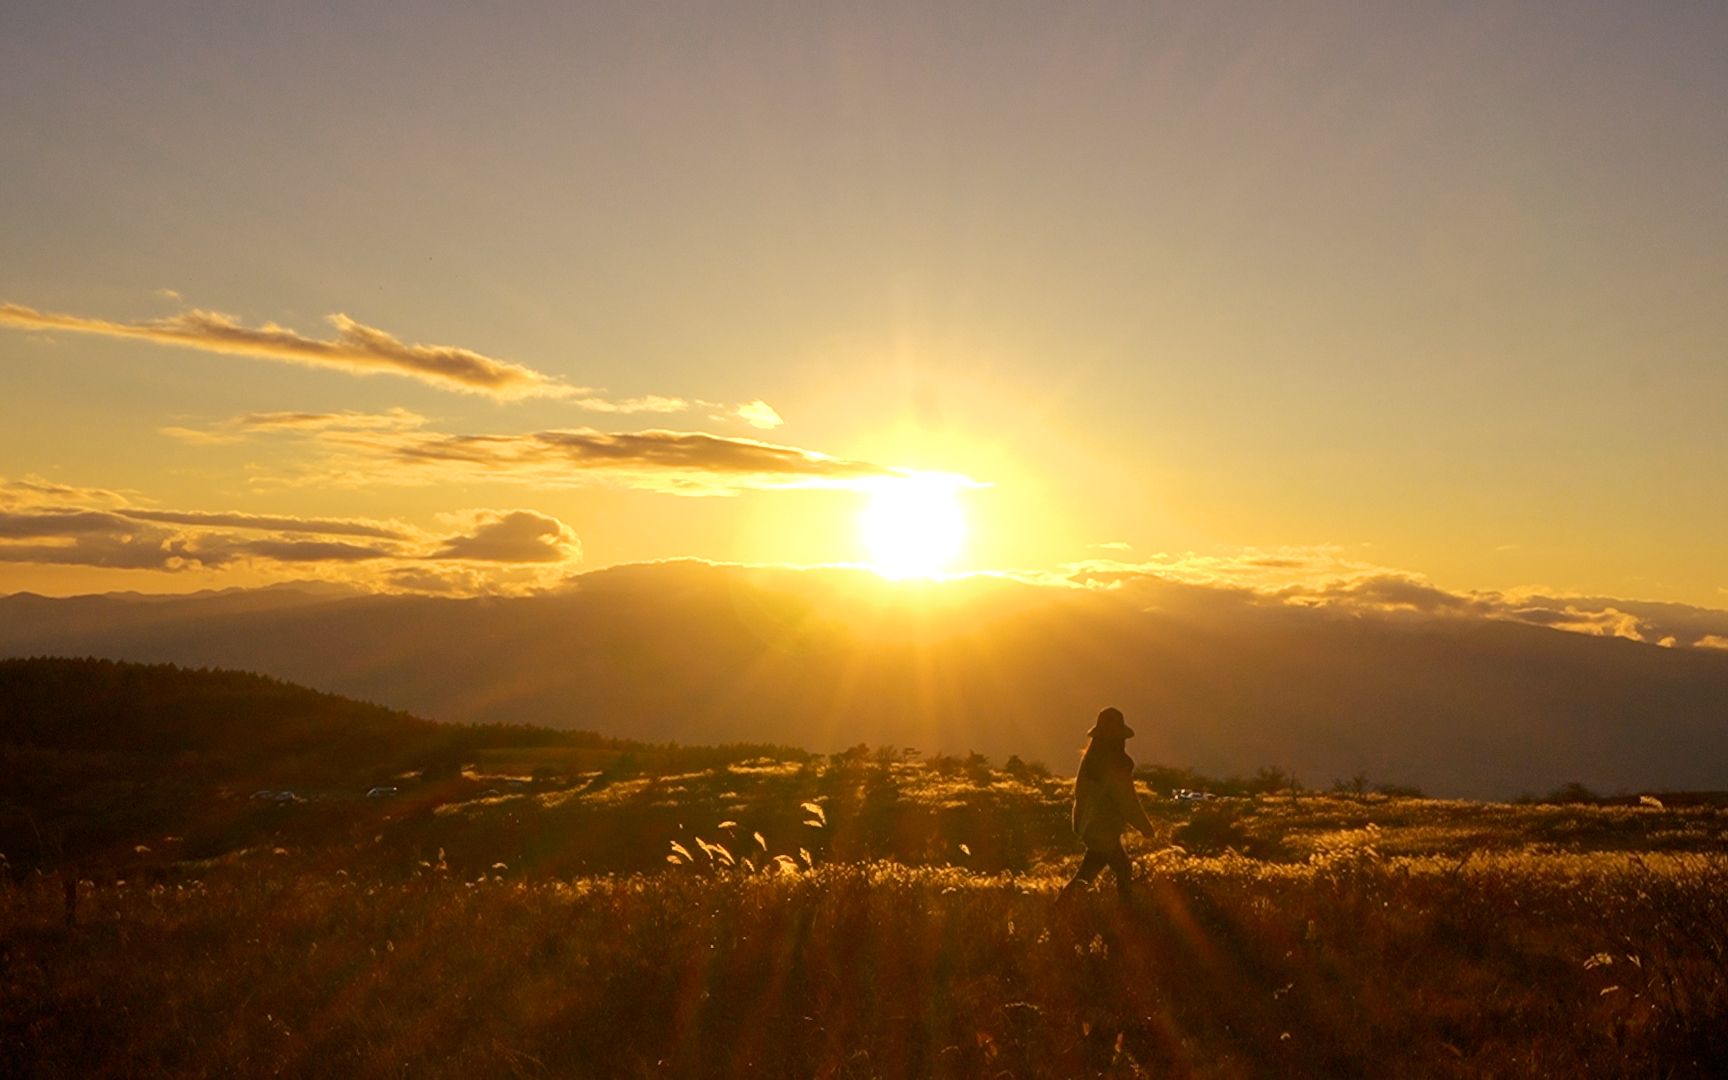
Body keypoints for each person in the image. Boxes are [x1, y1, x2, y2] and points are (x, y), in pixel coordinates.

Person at [1061, 706, 1155, 899]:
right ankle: (1127, 914)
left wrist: (1080, 825)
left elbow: (1080, 796)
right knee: (1121, 870)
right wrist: (1144, 827)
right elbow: (1127, 800)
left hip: (1091, 827)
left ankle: (1060, 908)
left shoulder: (1090, 760)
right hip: (1104, 830)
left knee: (1090, 873)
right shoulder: (1114, 762)